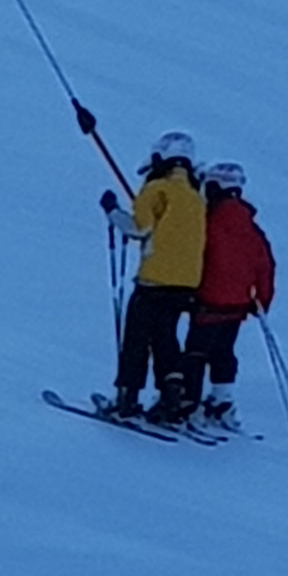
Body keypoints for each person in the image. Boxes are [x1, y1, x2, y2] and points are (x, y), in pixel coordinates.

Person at [98, 131, 206, 424]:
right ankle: (170, 398)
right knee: (166, 338)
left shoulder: (157, 189)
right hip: (185, 284)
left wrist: (112, 211)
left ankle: (127, 398)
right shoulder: (196, 197)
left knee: (137, 338)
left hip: (154, 280)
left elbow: (139, 228)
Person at [181, 161, 275, 431]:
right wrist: (262, 301)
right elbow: (266, 266)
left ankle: (190, 404)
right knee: (223, 351)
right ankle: (222, 400)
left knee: (196, 353)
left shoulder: (207, 223)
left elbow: (195, 257)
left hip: (208, 302)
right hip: (237, 305)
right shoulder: (252, 228)